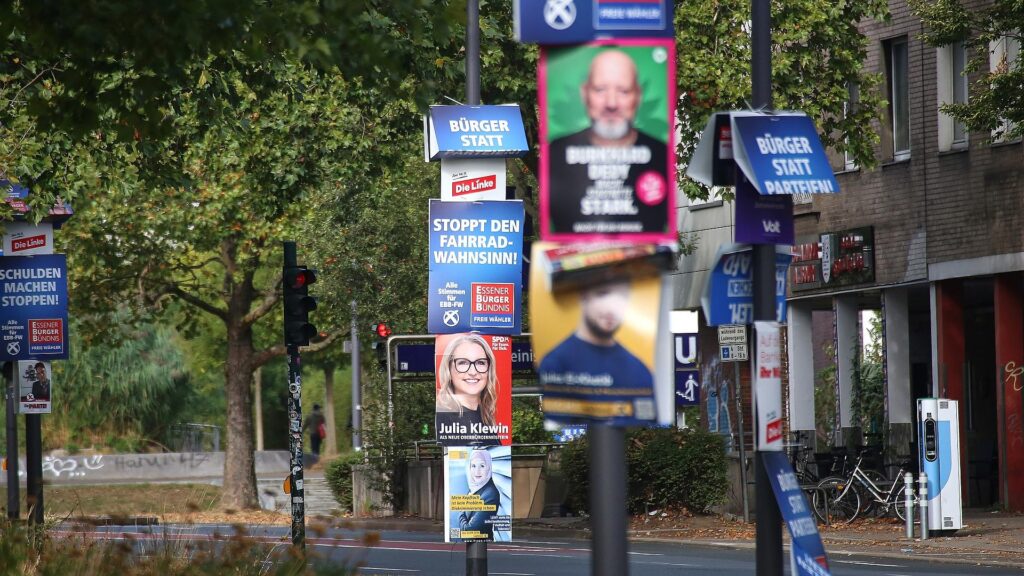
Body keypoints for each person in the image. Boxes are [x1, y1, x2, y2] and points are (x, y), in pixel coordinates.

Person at [547, 48, 669, 235]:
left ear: (638, 95)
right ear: (584, 93)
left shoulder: (661, 155)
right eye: (600, 89)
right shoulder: (556, 153)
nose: (611, 103)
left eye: (623, 91)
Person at [538, 279, 654, 419]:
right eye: (602, 294)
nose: (612, 308)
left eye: (621, 298)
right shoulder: (555, 363)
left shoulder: (640, 370)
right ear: (583, 295)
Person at [435, 334, 501, 446]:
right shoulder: (443, 415)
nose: (473, 372)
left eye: (480, 363)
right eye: (463, 363)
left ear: (489, 369)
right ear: (448, 369)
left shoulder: (485, 415)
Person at [457, 449, 500, 540]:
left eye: (482, 466)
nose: (477, 471)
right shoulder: (474, 488)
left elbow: (469, 530)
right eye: (473, 466)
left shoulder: (490, 494)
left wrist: (461, 511)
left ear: (489, 467)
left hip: (481, 540)